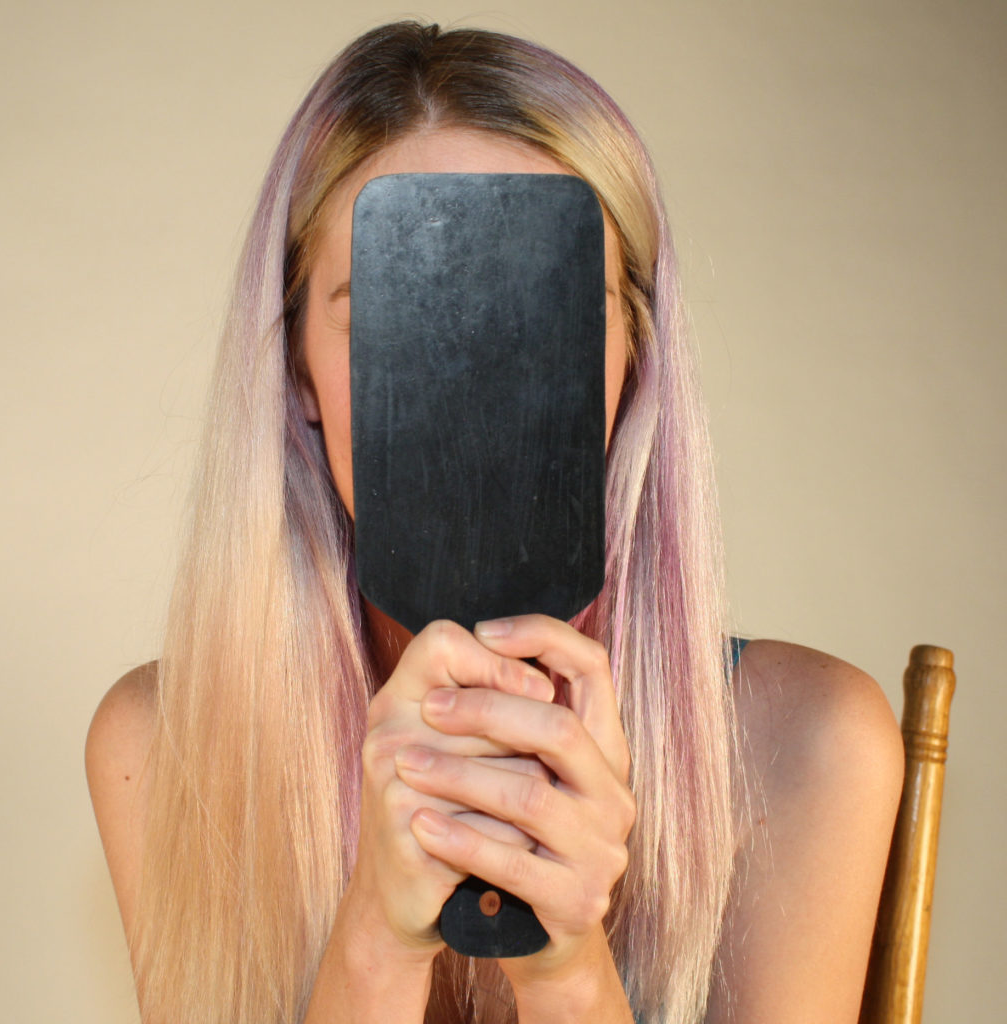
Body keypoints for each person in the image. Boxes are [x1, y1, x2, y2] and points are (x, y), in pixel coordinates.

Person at [85, 21, 904, 1024]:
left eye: (546, 309)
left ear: (633, 358)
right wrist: (377, 943)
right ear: (296, 366)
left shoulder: (809, 748)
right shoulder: (163, 752)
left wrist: (565, 970)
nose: (477, 379)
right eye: (394, 309)